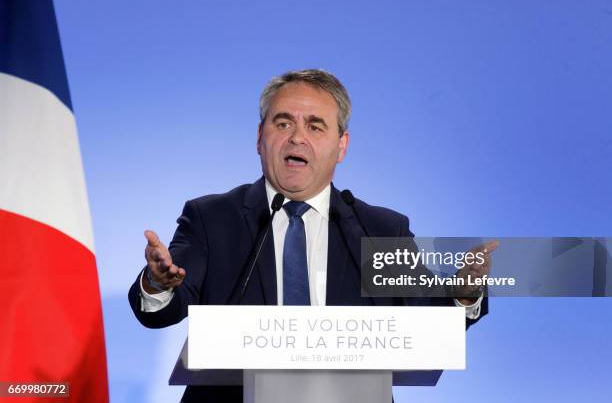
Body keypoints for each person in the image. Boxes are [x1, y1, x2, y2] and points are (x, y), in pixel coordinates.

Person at [128, 69, 497, 402]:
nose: (297, 138)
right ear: (260, 137)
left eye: (316, 126)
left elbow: (427, 318)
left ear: (341, 146)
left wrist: (462, 295)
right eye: (283, 123)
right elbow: (164, 308)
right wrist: (159, 285)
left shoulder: (381, 230)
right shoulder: (212, 218)